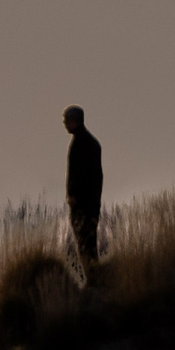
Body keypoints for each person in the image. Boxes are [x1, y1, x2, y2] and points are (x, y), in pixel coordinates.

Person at [64, 105, 103, 269]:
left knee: (86, 247)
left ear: (75, 120)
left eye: (67, 120)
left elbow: (94, 179)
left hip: (84, 206)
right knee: (85, 246)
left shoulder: (84, 144)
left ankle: (94, 277)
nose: (65, 123)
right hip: (84, 206)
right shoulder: (85, 143)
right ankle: (93, 276)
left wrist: (92, 209)